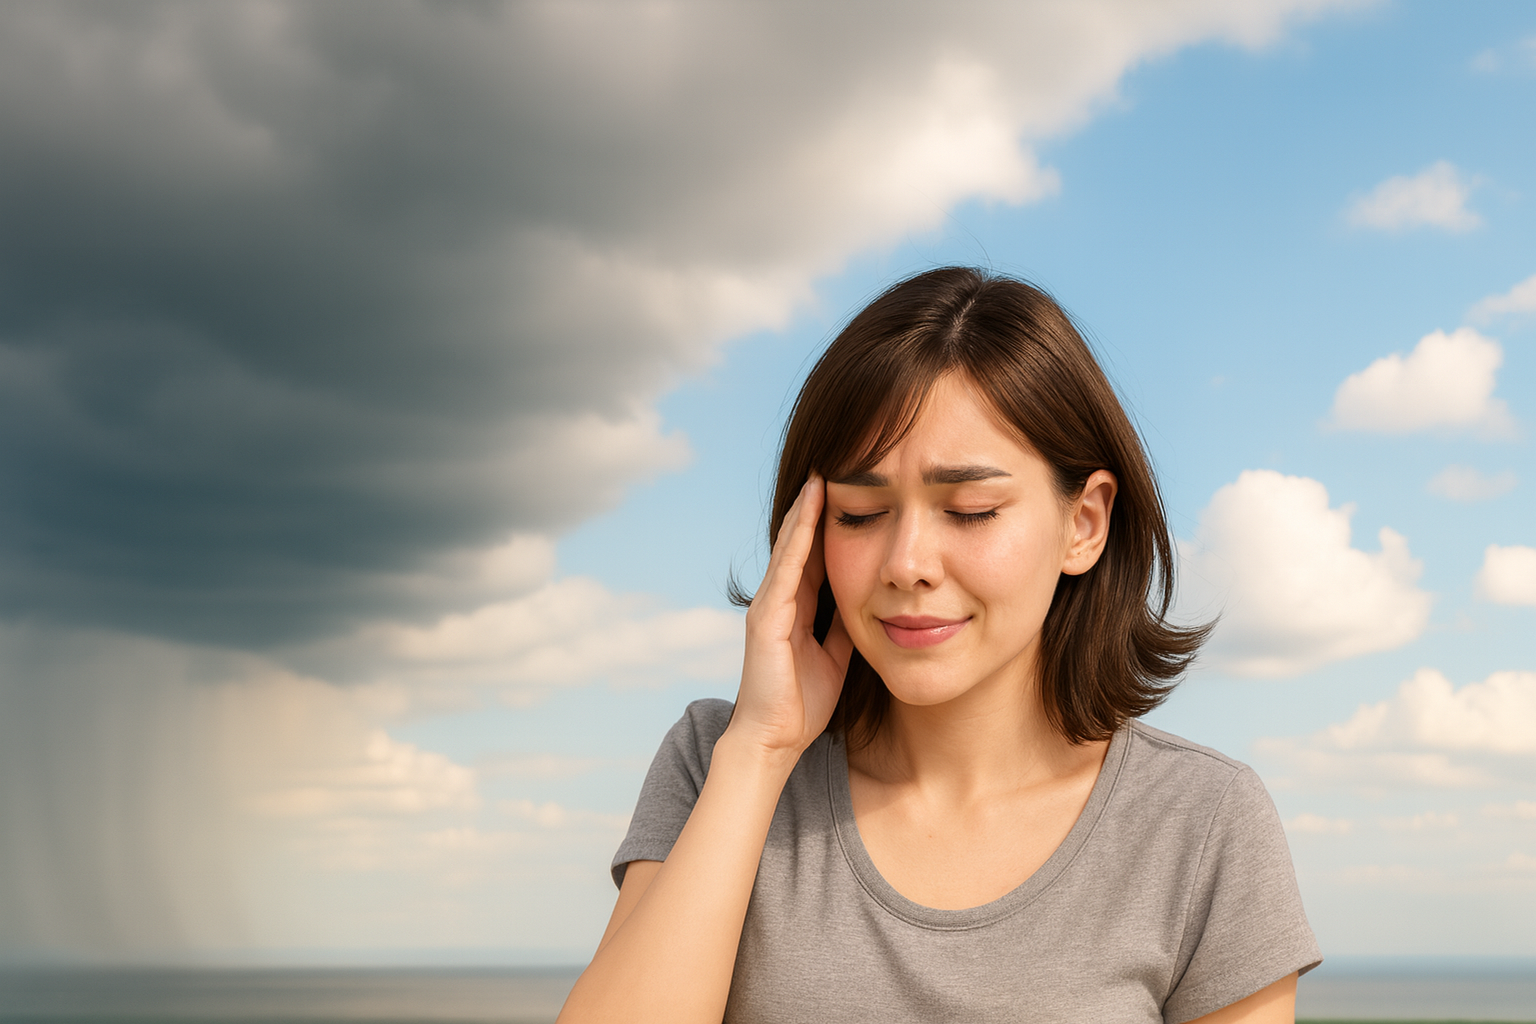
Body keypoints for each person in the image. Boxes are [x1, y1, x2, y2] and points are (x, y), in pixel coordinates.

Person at [556, 268, 1320, 1024]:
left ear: (1084, 523)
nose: (906, 564)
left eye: (971, 510)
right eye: (859, 513)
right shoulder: (713, 764)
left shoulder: (1203, 821)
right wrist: (760, 752)